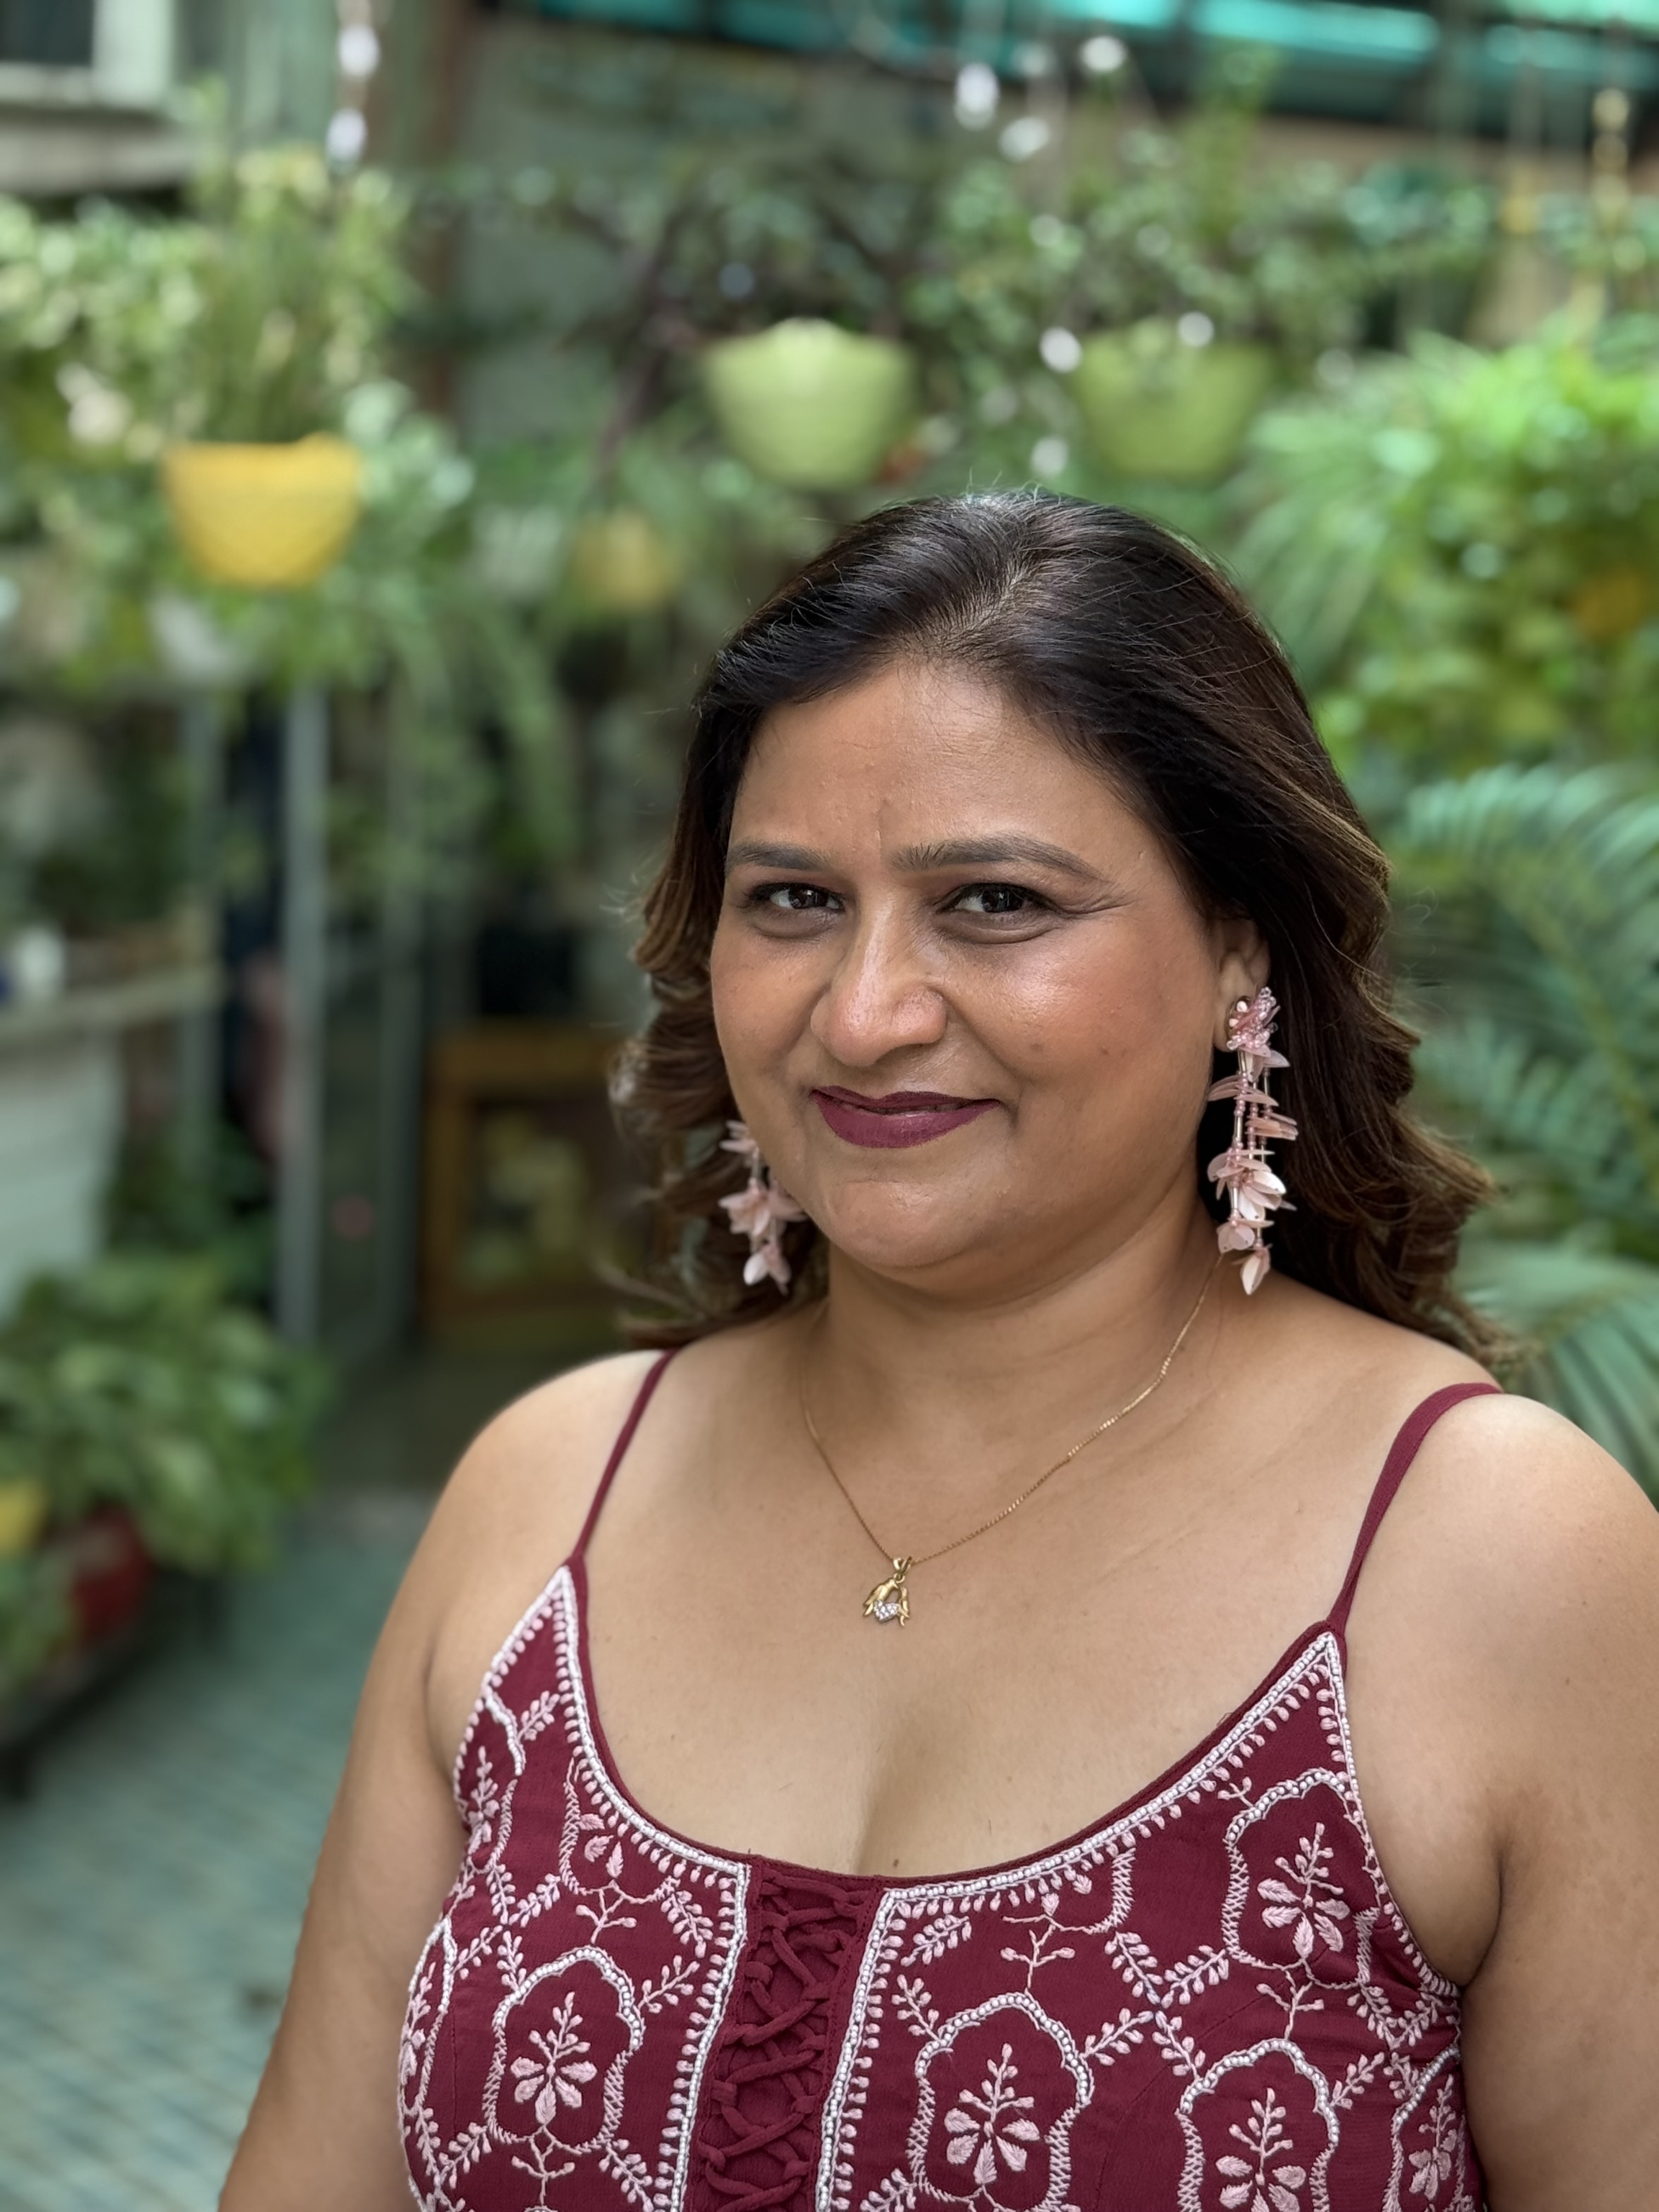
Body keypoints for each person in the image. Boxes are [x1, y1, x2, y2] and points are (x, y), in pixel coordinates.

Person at [223, 495, 1659, 2212]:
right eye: (794, 900)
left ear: (1239, 955)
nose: (864, 1010)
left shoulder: (1492, 1560)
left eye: (992, 899)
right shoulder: (550, 1504)